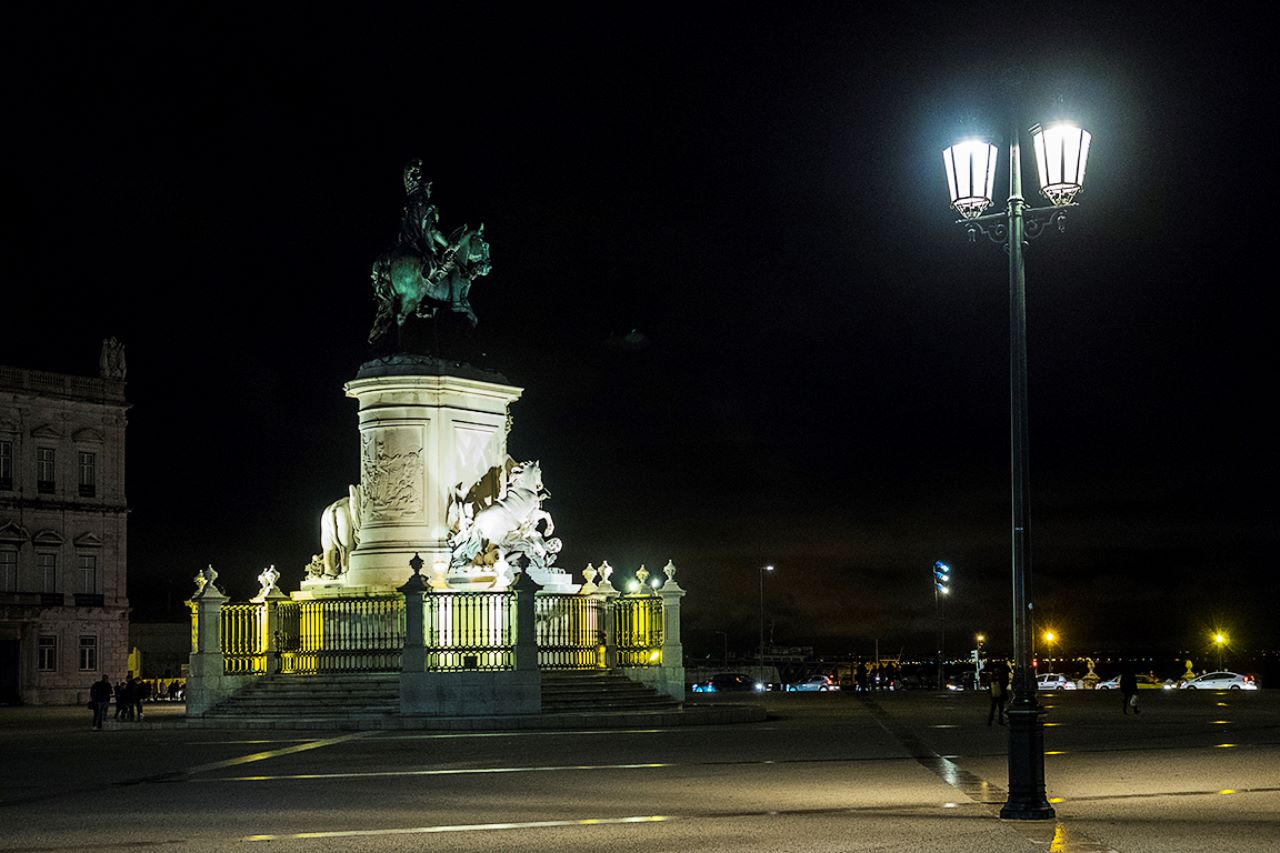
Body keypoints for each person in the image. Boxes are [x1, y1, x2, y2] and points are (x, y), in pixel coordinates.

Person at [987, 657, 1010, 726]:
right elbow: (1005, 683)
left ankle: (990, 721)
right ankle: (1000, 721)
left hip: (994, 692)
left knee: (993, 707)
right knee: (1000, 708)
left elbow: (989, 683)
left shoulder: (993, 675)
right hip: (1001, 692)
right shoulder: (1003, 675)